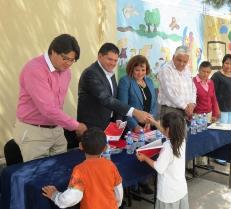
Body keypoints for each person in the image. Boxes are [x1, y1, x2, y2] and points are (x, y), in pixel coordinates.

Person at [13, 34, 87, 162]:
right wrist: (76, 126)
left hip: (56, 129)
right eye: (65, 58)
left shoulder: (66, 72)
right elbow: (48, 109)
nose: (69, 64)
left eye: (72, 60)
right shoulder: (35, 69)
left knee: (60, 171)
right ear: (53, 51)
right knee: (38, 176)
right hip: (34, 131)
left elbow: (57, 105)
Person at [42, 127, 123, 209]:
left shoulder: (80, 170)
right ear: (105, 148)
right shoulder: (111, 165)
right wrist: (116, 204)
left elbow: (71, 198)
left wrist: (55, 195)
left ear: (80, 146)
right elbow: (118, 190)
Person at [77, 43, 150, 130]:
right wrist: (134, 112)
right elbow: (106, 99)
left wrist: (118, 118)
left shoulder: (110, 73)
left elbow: (114, 98)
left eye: (115, 60)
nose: (113, 63)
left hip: (108, 124)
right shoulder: (91, 73)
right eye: (110, 59)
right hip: (92, 126)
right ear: (100, 56)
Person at [137, 112, 189, 209]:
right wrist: (154, 122)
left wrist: (145, 158)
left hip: (168, 194)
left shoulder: (167, 147)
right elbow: (167, 132)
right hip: (180, 189)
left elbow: (159, 167)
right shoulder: (181, 139)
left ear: (168, 129)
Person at [118, 55, 157, 133]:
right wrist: (134, 126)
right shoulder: (125, 81)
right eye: (137, 70)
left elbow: (154, 104)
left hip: (148, 125)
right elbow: (123, 107)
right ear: (132, 69)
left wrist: (150, 120)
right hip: (132, 127)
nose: (140, 73)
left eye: (143, 70)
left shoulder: (149, 81)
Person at [157, 45, 196, 119]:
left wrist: (192, 104)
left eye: (185, 62)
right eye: (179, 60)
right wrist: (186, 107)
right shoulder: (166, 69)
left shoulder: (187, 70)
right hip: (171, 111)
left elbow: (193, 88)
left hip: (186, 111)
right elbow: (170, 92)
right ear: (173, 57)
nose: (182, 64)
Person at [211, 54, 231, 124]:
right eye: (227, 63)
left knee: (230, 130)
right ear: (223, 63)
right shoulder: (217, 76)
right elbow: (212, 93)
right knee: (221, 131)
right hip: (221, 109)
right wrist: (216, 109)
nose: (229, 66)